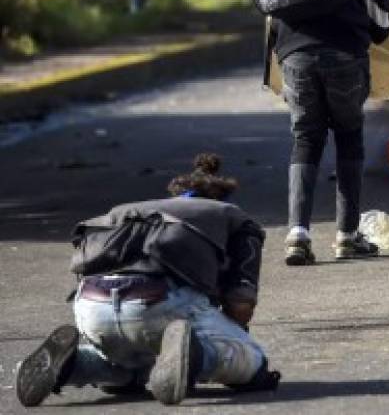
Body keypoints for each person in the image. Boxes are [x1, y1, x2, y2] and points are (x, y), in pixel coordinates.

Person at [15, 154, 279, 407]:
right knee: (252, 361)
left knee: (128, 370)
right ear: (220, 196)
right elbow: (240, 302)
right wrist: (232, 333)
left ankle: (71, 367)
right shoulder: (232, 216)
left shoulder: (129, 210)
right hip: (158, 300)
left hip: (91, 303)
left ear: (176, 195)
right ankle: (197, 357)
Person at [273, 0, 389, 265]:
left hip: (293, 58)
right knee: (348, 134)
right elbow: (383, 26)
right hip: (344, 55)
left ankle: (297, 234)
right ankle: (347, 236)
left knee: (306, 139)